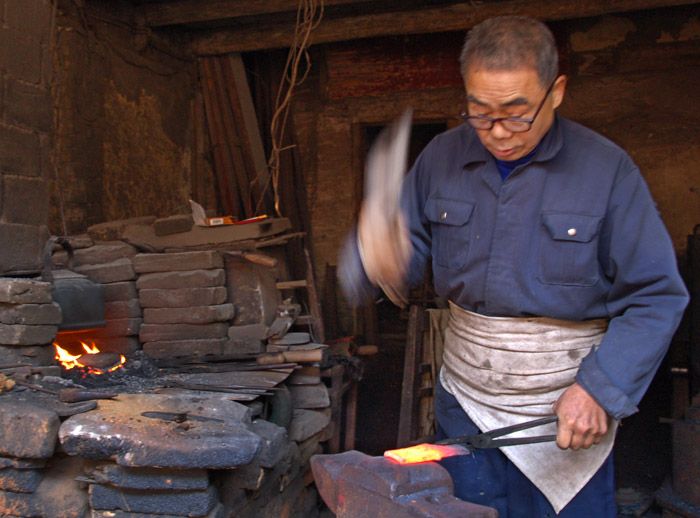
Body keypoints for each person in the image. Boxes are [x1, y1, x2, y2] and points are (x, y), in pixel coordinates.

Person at [339, 15, 689, 518]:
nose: (497, 132)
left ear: (557, 91)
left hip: (566, 407)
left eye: (516, 113)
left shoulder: (607, 171)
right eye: (479, 112)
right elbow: (403, 252)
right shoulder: (441, 157)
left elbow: (657, 296)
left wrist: (601, 387)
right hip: (466, 397)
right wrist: (379, 257)